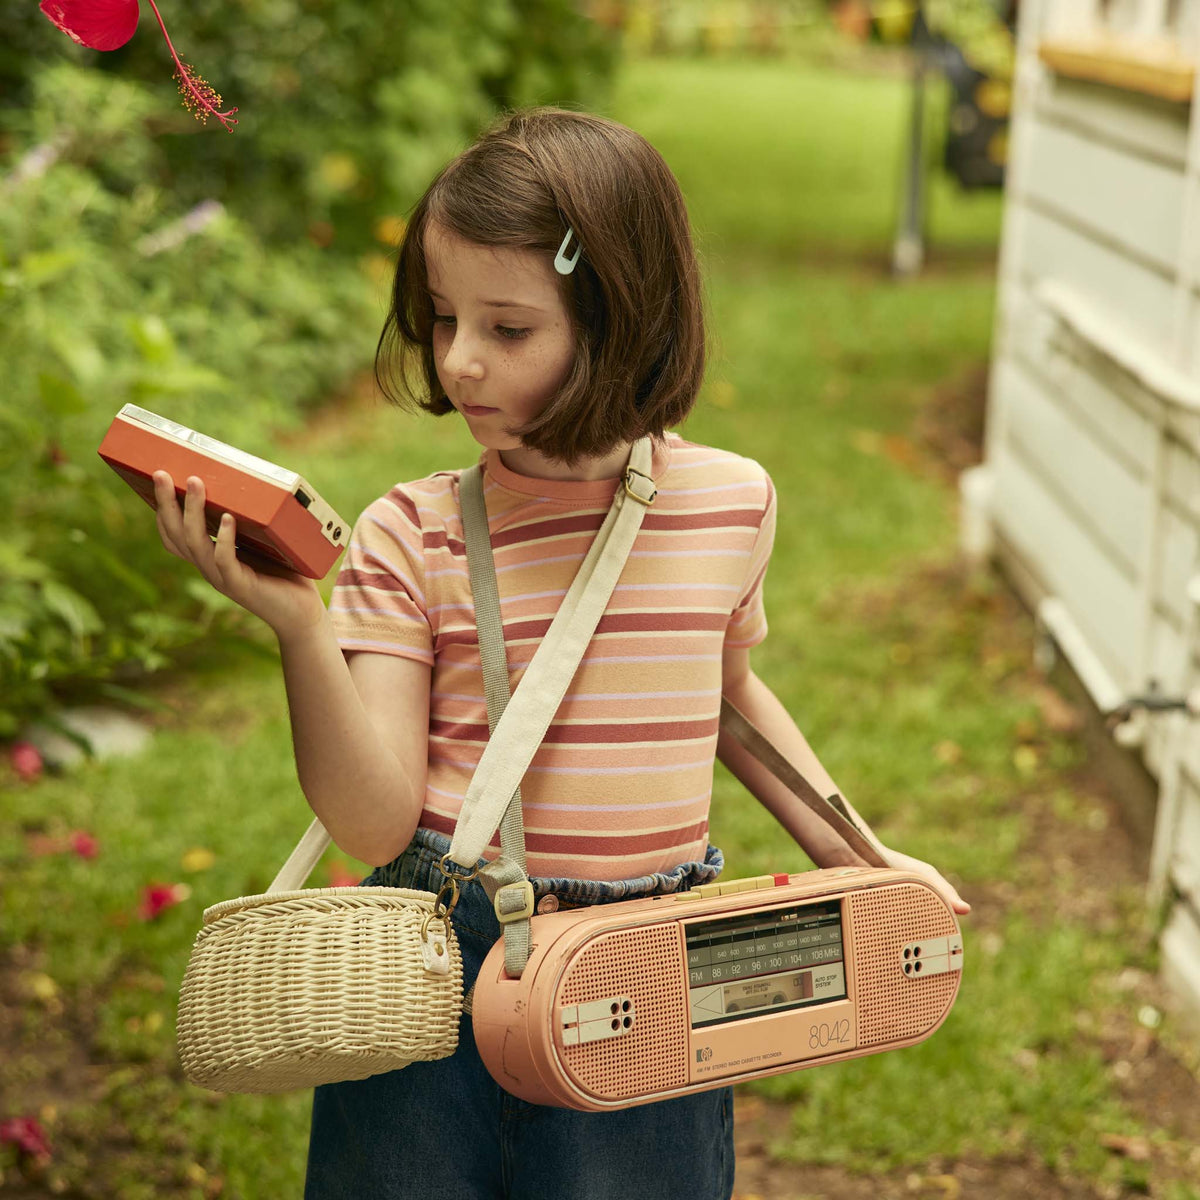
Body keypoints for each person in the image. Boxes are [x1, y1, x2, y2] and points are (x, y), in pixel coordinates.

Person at [150, 105, 970, 1200]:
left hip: (650, 970)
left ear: (622, 314)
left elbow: (726, 700)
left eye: (509, 328)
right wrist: (302, 627)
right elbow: (373, 822)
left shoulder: (730, 504)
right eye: (443, 320)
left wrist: (862, 860)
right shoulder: (414, 529)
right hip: (438, 968)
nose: (462, 362)